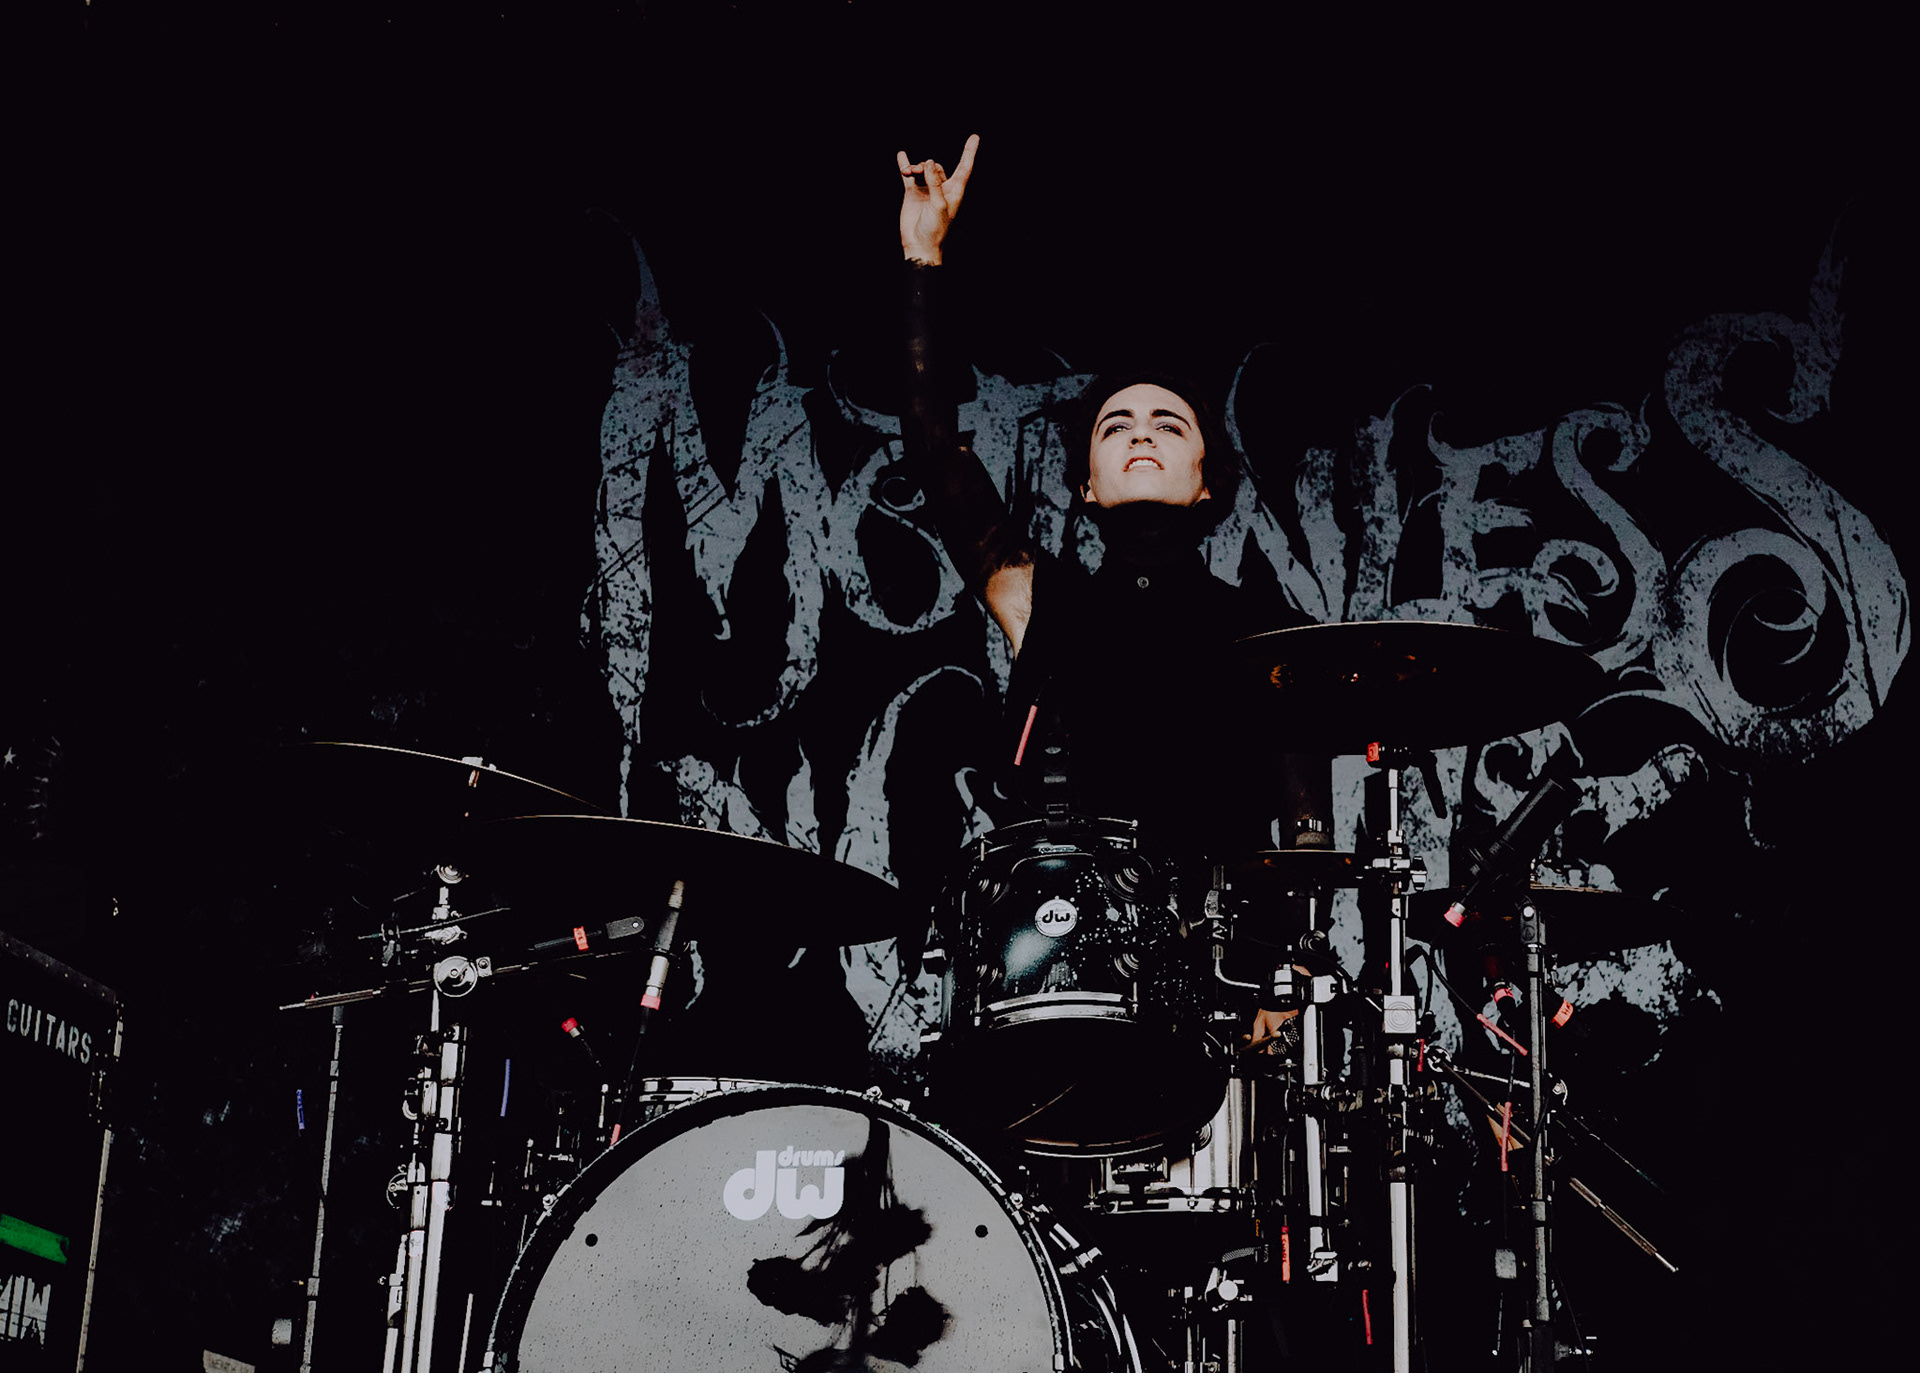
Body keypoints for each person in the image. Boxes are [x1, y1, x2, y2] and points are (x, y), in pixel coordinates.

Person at [895, 136, 1313, 1052]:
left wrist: (1285, 977)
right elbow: (933, 451)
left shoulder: (1266, 630)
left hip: (1217, 1004)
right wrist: (924, 261)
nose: (1142, 434)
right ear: (1086, 482)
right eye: (1116, 424)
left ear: (1207, 482)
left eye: (1169, 423)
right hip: (1053, 987)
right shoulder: (1041, 599)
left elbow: (1305, 836)